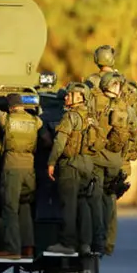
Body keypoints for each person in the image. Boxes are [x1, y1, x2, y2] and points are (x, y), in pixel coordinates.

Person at [0, 83, 42, 259]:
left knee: (10, 208)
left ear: (10, 107)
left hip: (12, 167)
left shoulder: (7, 119)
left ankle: (13, 249)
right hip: (29, 169)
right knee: (24, 207)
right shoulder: (35, 121)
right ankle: (28, 248)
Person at [45, 82, 100, 255]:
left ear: (78, 97)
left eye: (69, 95)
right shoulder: (91, 117)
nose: (66, 97)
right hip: (87, 165)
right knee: (83, 204)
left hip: (71, 166)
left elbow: (59, 142)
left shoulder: (70, 117)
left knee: (68, 205)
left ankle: (67, 244)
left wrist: (51, 162)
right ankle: (85, 244)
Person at [93, 72, 132, 255]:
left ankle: (97, 239)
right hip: (115, 161)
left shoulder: (94, 102)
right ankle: (108, 242)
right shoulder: (124, 106)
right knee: (109, 200)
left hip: (97, 159)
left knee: (93, 201)